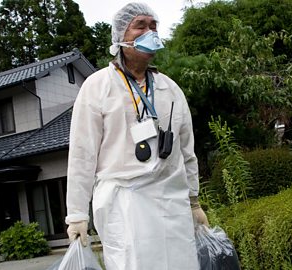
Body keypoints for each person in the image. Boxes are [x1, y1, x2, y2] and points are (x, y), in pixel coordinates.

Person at [65, 2, 208, 269]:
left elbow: (187, 151)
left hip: (172, 201)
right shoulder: (97, 86)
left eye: (153, 27)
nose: (149, 32)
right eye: (140, 26)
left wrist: (193, 201)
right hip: (125, 203)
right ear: (120, 36)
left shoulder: (170, 88)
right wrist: (76, 214)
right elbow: (83, 154)